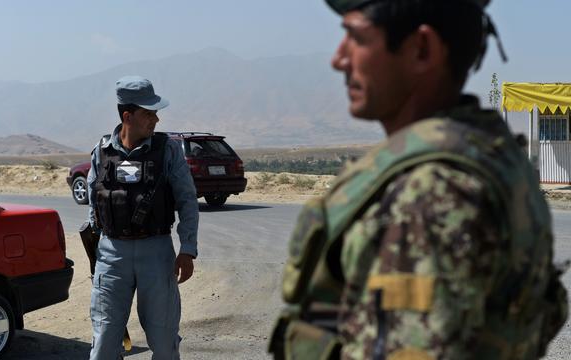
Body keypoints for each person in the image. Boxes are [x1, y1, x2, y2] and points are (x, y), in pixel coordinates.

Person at [270, 0, 568, 359]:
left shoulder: (430, 193)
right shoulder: (489, 154)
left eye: (356, 38)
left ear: (422, 50)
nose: (339, 59)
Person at [87, 75, 199, 360]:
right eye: (148, 114)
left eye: (156, 114)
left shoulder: (168, 150)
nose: (155, 120)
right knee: (104, 340)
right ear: (128, 116)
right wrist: (100, 248)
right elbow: (93, 201)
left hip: (157, 252)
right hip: (112, 255)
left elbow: (187, 200)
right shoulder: (101, 153)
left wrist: (187, 249)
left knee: (163, 340)